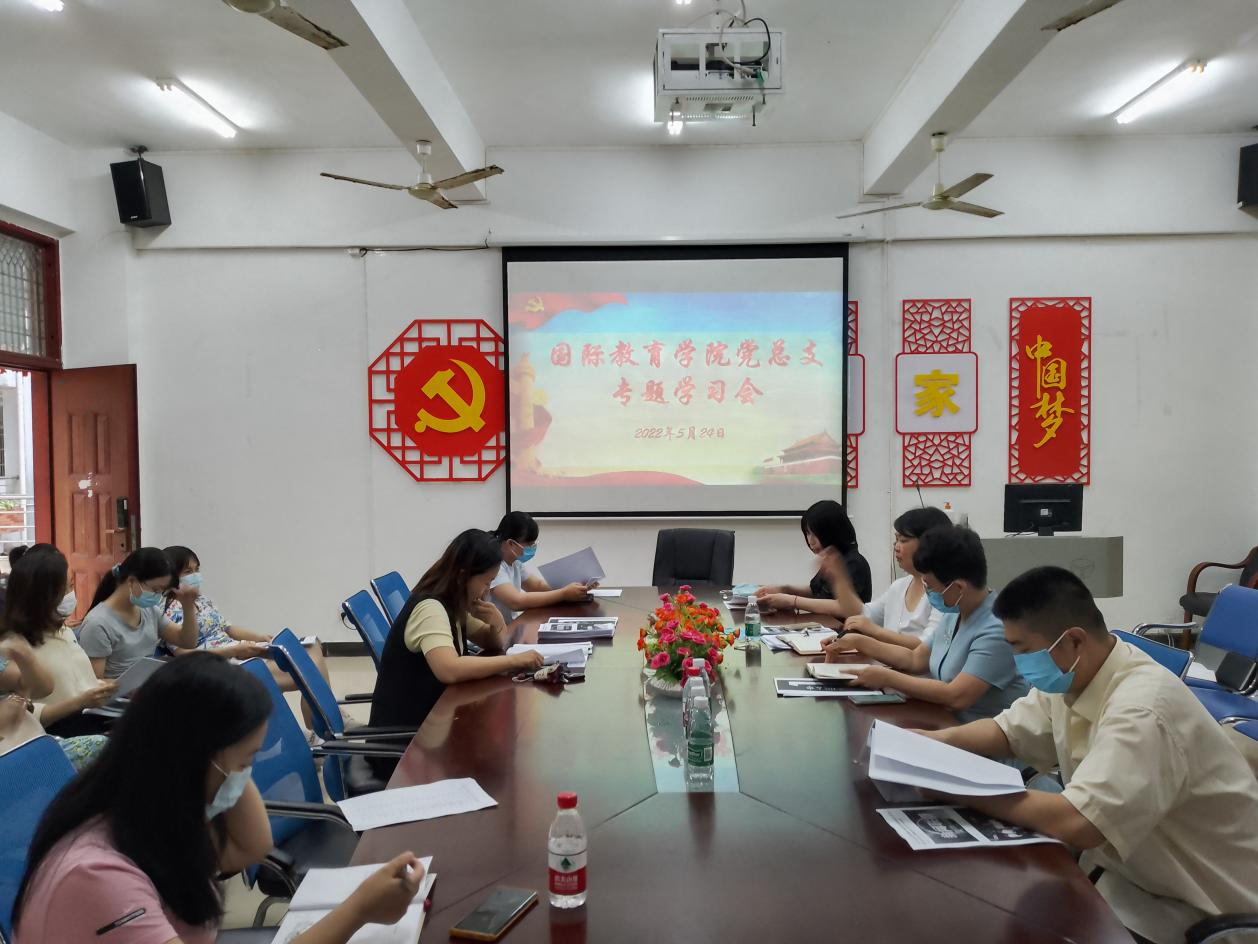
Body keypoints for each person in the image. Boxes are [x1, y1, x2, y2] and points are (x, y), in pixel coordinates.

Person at [916, 567, 1258, 944]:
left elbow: (1080, 822)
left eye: (1022, 650)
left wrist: (959, 788)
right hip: (1135, 879)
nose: (1017, 662)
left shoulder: (1143, 709)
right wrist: (930, 743)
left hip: (1204, 908)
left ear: (1074, 641)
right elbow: (1008, 731)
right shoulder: (1076, 675)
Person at [14, 652, 425, 944]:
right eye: (245, 762)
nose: (245, 779)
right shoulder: (96, 877)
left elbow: (252, 847)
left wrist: (229, 759)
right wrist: (358, 910)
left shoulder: (154, 814)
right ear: (192, 759)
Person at [825, 525, 1028, 721]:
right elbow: (915, 659)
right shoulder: (955, 611)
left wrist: (886, 677)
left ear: (958, 587)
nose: (928, 592)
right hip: (942, 719)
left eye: (929, 586)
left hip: (976, 733)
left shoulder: (996, 629)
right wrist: (858, 642)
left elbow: (957, 696)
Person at [370, 529, 545, 734]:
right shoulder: (431, 608)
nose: (487, 592)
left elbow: (493, 643)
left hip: (436, 720)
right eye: (486, 582)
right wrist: (514, 661)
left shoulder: (453, 602)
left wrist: (496, 621)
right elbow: (449, 669)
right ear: (463, 576)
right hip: (408, 737)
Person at [160, 545, 333, 732]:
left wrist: (260, 638)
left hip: (239, 653)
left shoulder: (202, 601)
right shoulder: (170, 611)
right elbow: (184, 655)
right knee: (309, 668)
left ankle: (323, 723)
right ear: (172, 577)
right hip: (220, 666)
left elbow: (228, 628)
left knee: (312, 647)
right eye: (188, 572)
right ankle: (325, 723)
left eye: (197, 569)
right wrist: (234, 650)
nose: (196, 576)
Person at [3, 548, 117, 738]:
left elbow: (75, 682)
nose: (71, 595)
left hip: (92, 717)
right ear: (41, 597)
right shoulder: (15, 646)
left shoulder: (63, 630)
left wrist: (103, 686)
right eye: (65, 590)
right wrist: (80, 702)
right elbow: (26, 715)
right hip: (57, 733)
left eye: (71, 586)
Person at [833, 506, 952, 648]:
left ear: (928, 543)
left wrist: (874, 632)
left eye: (903, 540)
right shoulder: (899, 586)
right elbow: (863, 613)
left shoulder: (944, 594)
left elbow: (926, 646)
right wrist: (839, 578)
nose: (896, 547)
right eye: (896, 540)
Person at [79, 547, 199, 679]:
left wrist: (188, 606)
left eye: (162, 591)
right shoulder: (97, 624)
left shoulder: (149, 610)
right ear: (131, 581)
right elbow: (95, 684)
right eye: (155, 589)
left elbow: (187, 642)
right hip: (120, 691)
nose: (158, 596)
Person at [756, 500, 872, 617]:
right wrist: (784, 589)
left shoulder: (855, 563)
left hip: (845, 627)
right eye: (807, 533)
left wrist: (791, 601)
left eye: (815, 534)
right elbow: (815, 591)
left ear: (833, 531)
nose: (810, 541)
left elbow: (845, 607)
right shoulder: (832, 559)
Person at [487, 512, 593, 622]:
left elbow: (536, 585)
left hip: (508, 626)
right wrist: (563, 594)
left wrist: (576, 586)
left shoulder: (515, 561)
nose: (532, 548)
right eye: (529, 545)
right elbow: (516, 602)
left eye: (533, 544)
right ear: (511, 544)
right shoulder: (494, 565)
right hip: (494, 630)